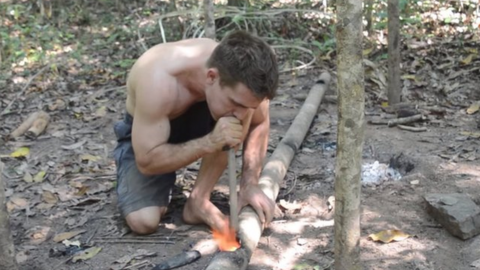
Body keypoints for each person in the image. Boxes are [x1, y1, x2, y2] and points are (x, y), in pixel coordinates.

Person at [113, 30, 279, 235]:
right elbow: (147, 162)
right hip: (150, 139)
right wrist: (210, 142)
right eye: (235, 102)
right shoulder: (158, 79)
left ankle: (198, 200)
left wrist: (249, 183)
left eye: (249, 107)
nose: (243, 114)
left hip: (206, 117)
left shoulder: (244, 78)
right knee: (143, 221)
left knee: (234, 120)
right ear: (211, 77)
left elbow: (260, 122)